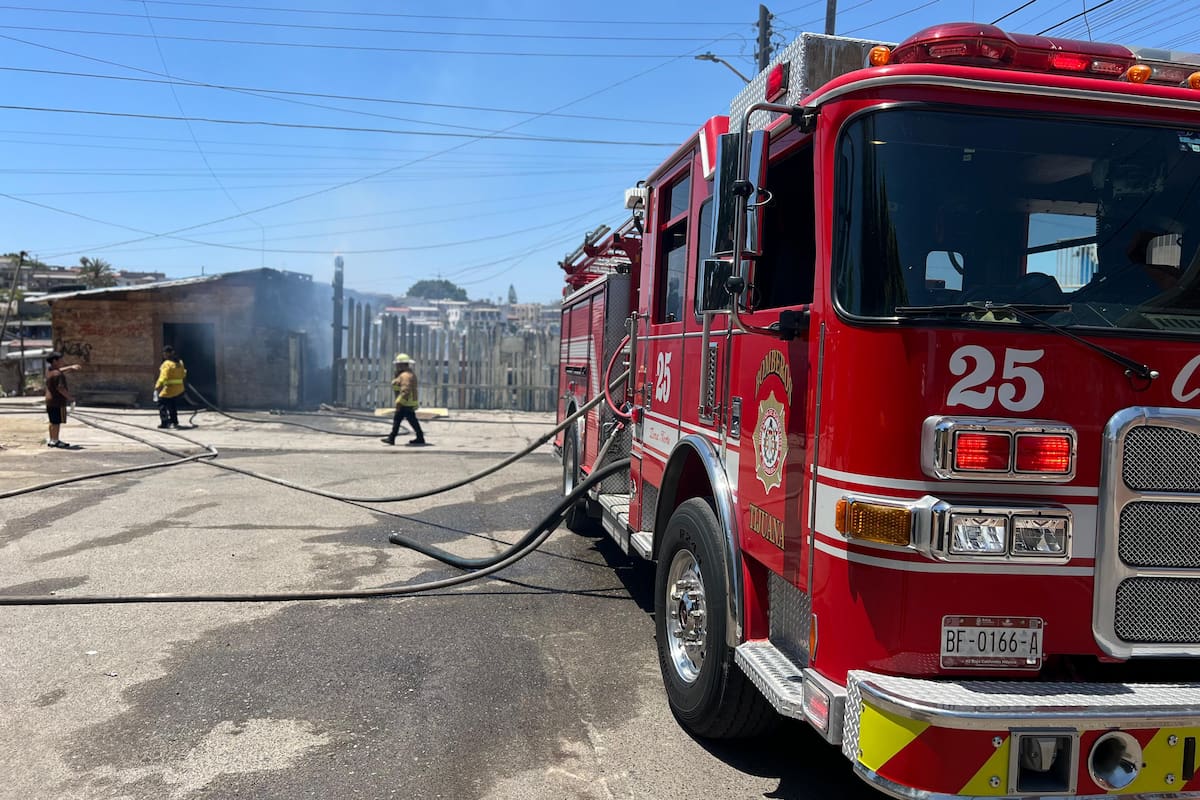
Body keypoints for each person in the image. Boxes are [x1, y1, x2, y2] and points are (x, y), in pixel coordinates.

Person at [381, 353, 426, 446]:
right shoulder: (407, 374)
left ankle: (392, 438)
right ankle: (419, 437)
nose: (396, 366)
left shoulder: (405, 376)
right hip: (407, 402)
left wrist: (399, 402)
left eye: (398, 364)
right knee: (408, 420)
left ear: (402, 365)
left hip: (405, 403)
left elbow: (405, 390)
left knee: (400, 419)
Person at [43, 351, 81, 448]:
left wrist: (70, 367)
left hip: (49, 400)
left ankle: (52, 439)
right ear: (55, 361)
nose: (62, 361)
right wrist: (70, 398)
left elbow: (59, 370)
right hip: (57, 401)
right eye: (60, 360)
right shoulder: (58, 375)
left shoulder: (49, 371)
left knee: (52, 421)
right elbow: (61, 388)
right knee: (57, 422)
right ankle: (56, 441)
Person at [154, 345, 188, 429]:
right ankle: (174, 421)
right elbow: (184, 374)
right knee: (172, 403)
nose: (163, 355)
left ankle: (165, 422)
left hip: (170, 388)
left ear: (167, 354)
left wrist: (157, 387)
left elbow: (163, 377)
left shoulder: (167, 364)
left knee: (161, 403)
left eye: (164, 353)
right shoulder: (180, 362)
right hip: (179, 389)